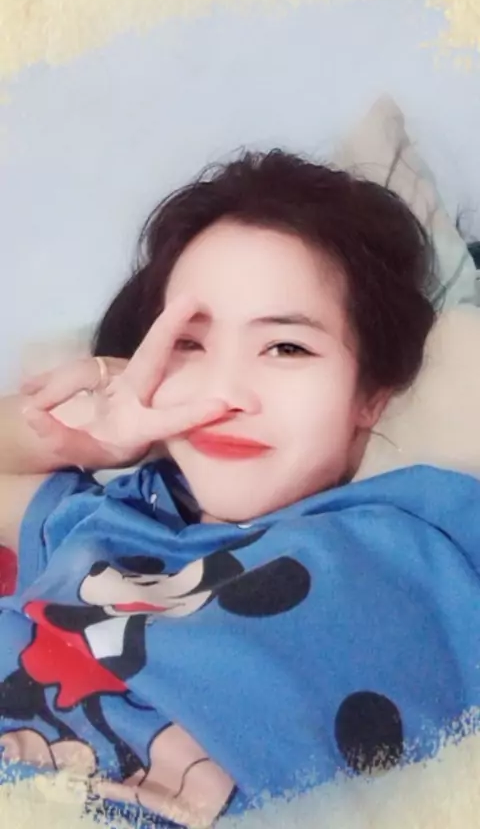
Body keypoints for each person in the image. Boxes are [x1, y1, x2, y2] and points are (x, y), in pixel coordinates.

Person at [0, 150, 478, 828]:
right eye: (189, 346)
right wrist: (92, 430)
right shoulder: (112, 516)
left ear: (371, 394)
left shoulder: (423, 532)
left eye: (287, 347)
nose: (225, 394)